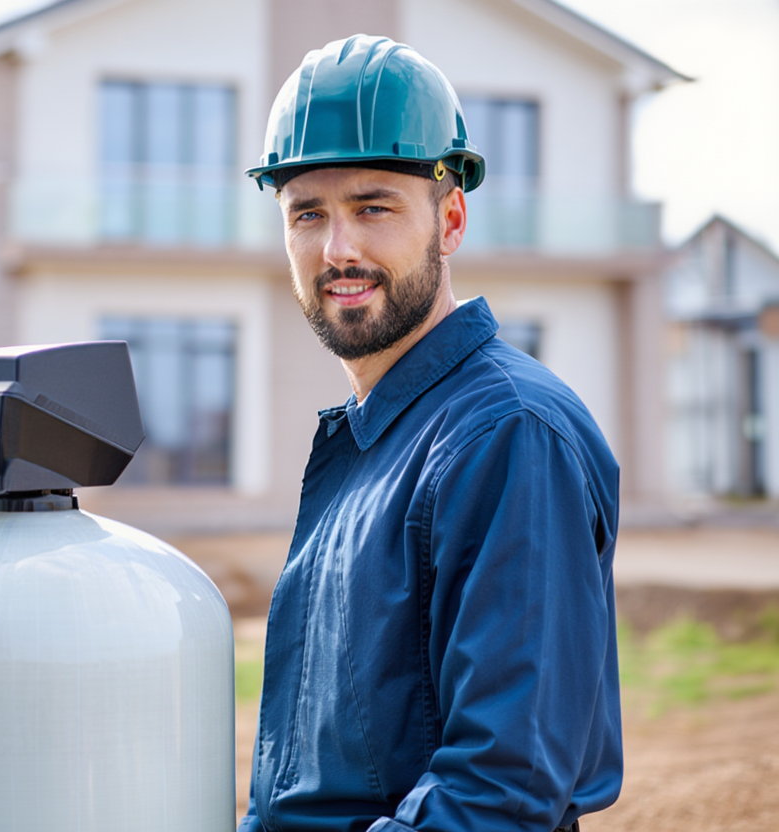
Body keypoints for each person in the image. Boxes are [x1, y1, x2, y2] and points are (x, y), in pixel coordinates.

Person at [238, 34, 623, 832]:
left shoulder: (507, 435)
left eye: (373, 207)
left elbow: (497, 791)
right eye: (307, 214)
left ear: (450, 220)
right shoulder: (377, 439)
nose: (337, 249)